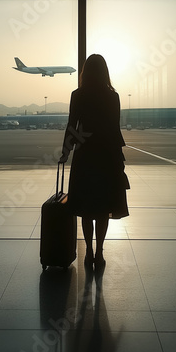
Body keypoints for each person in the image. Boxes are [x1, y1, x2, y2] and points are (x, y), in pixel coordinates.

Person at [59, 54, 130, 270]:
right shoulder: (113, 96)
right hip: (106, 156)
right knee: (103, 207)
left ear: (85, 72)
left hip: (85, 155)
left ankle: (88, 251)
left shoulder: (78, 95)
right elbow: (113, 128)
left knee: (86, 206)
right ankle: (99, 252)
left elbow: (73, 126)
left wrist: (66, 151)